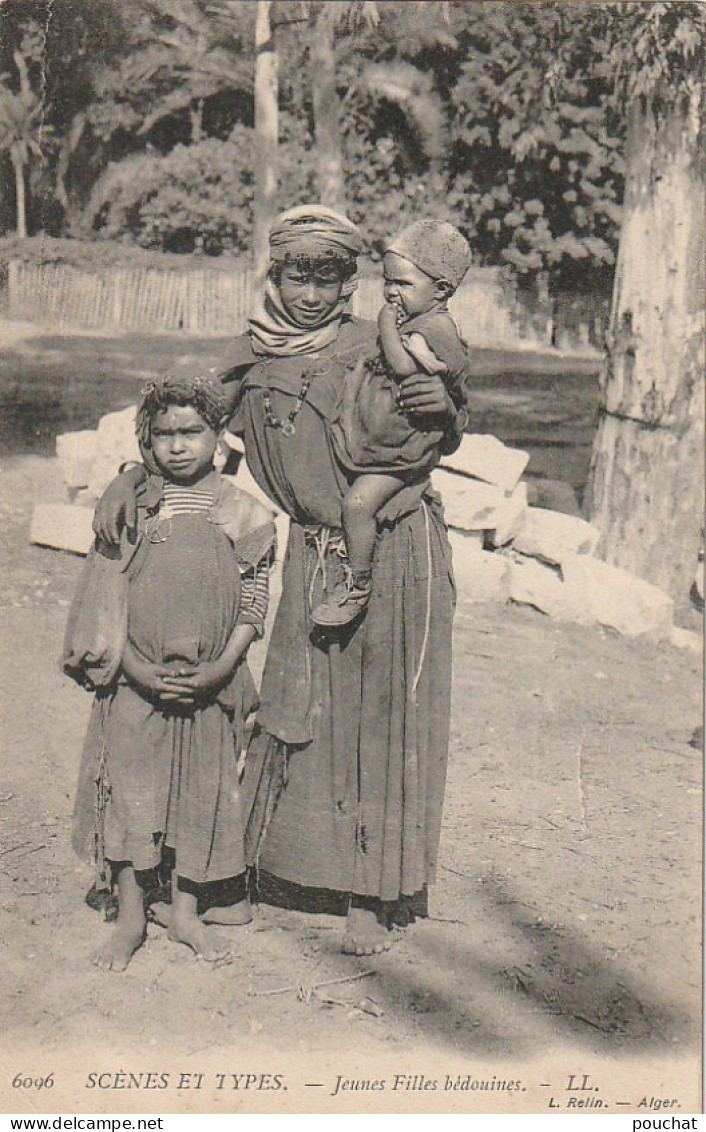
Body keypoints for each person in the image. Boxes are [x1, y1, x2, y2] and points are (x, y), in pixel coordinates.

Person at [94, 205, 465, 956]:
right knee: (296, 708)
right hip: (312, 550)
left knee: (374, 716)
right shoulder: (247, 357)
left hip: (389, 545)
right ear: (275, 273)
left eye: (332, 278)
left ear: (353, 283)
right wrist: (128, 478)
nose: (313, 295)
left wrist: (449, 409)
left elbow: (444, 413)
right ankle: (260, 873)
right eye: (299, 274)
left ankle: (372, 893)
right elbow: (180, 423)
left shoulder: (381, 344)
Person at [66, 373, 276, 972]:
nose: (179, 445)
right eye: (164, 435)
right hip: (137, 682)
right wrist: (132, 668)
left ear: (219, 437)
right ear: (146, 441)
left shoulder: (245, 511)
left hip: (210, 683)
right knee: (134, 795)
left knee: (201, 795)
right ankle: (131, 915)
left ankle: (185, 910)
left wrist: (219, 668)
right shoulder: (133, 508)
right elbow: (107, 598)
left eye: (193, 432)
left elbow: (254, 602)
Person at [313, 219, 471, 626]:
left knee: (359, 504)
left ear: (441, 290)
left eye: (403, 284)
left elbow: (403, 366)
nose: (391, 293)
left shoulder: (435, 329)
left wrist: (384, 325)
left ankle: (357, 583)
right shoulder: (416, 322)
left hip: (399, 456)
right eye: (388, 282)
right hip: (379, 445)